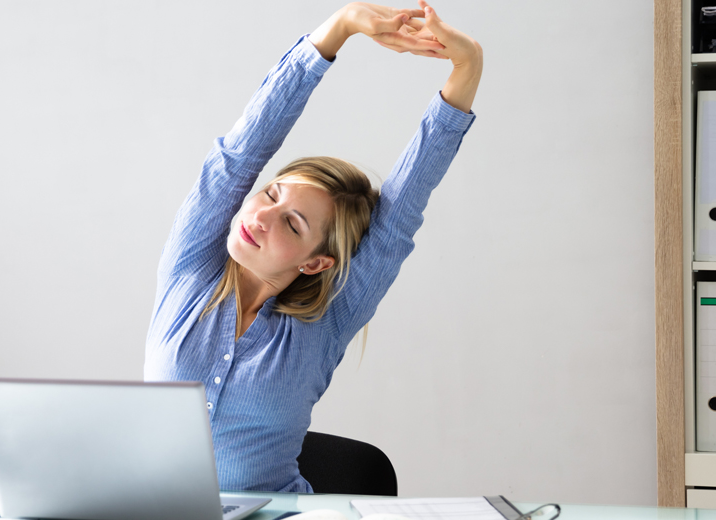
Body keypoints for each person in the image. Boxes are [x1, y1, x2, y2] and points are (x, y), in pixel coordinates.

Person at [144, 1, 482, 493]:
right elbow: (241, 153)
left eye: (293, 223)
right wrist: (339, 29)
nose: (259, 215)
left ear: (317, 262)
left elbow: (399, 216)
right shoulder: (190, 269)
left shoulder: (326, 323)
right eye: (271, 193)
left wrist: (467, 64)